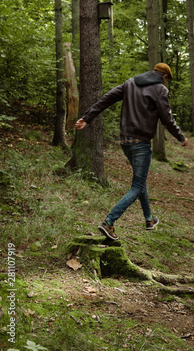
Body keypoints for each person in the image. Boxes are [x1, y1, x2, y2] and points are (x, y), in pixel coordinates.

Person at [75, 63, 188, 240]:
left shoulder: (130, 83)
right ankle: (109, 222)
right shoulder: (160, 89)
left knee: (139, 180)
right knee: (137, 185)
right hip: (141, 143)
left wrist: (87, 118)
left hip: (125, 141)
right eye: (167, 81)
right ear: (164, 77)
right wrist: (181, 137)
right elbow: (167, 118)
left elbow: (106, 99)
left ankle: (149, 220)